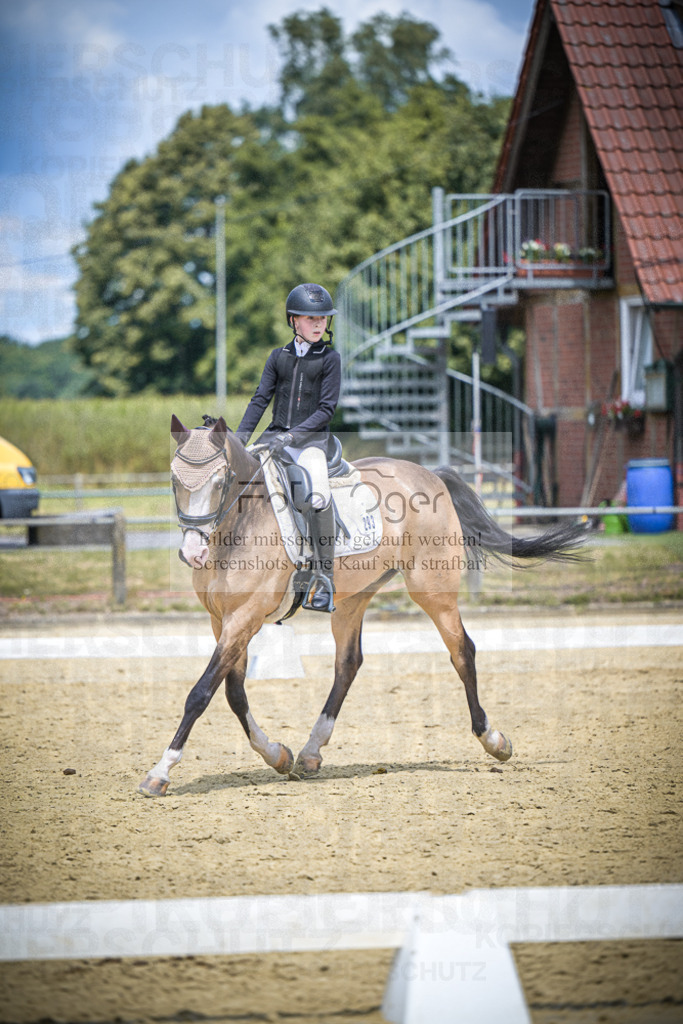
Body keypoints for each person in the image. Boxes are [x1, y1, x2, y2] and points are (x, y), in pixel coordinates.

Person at [236, 282, 341, 613]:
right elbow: (260, 399)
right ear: (294, 320)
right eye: (311, 319)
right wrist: (239, 441)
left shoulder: (330, 359)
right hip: (273, 437)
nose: (318, 324)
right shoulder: (277, 357)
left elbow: (326, 410)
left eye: (323, 318)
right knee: (239, 483)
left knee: (319, 496)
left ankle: (324, 580)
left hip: (311, 443)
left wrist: (293, 436)